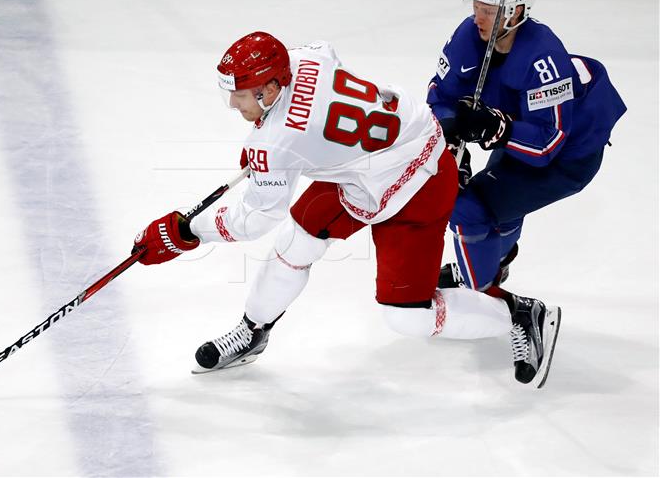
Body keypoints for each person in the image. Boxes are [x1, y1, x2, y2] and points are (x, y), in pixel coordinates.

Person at [133, 31, 560, 387]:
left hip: (420, 184)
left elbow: (254, 218)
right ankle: (253, 330)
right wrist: (278, 148)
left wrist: (186, 231)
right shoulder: (301, 60)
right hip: (373, 166)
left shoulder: (277, 142)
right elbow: (324, 51)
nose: (233, 105)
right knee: (296, 243)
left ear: (270, 89)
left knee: (407, 317)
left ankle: (520, 313)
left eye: (241, 96)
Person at [427, 0, 626, 303]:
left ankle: (488, 297)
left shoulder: (542, 58)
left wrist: (498, 128)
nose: (477, 18)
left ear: (515, 12)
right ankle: (491, 263)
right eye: (475, 6)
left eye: (488, 11)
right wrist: (450, 146)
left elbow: (548, 144)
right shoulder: (469, 35)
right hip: (523, 128)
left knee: (468, 210)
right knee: (495, 203)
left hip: (568, 156)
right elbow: (440, 98)